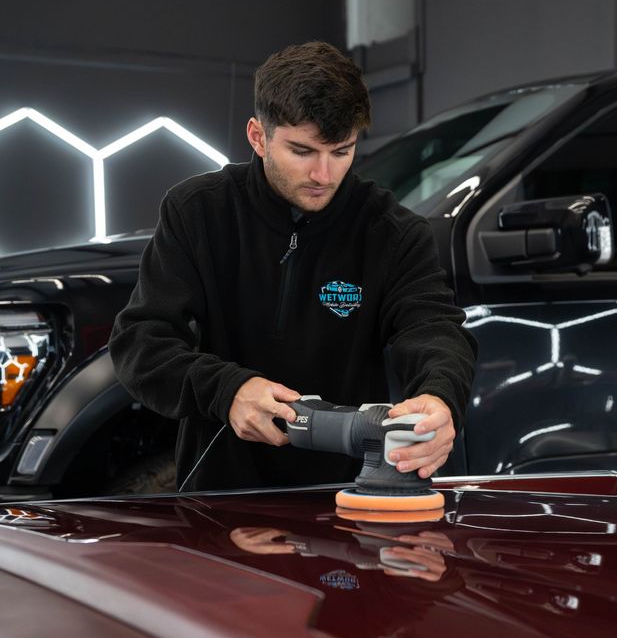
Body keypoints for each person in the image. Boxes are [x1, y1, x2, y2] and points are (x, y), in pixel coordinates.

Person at [109, 41, 477, 492]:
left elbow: (434, 331)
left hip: (346, 498)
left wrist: (441, 397)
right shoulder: (197, 212)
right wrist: (226, 391)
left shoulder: (392, 232)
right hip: (219, 494)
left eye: (341, 152)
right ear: (258, 136)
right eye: (303, 152)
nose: (324, 175)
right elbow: (141, 343)